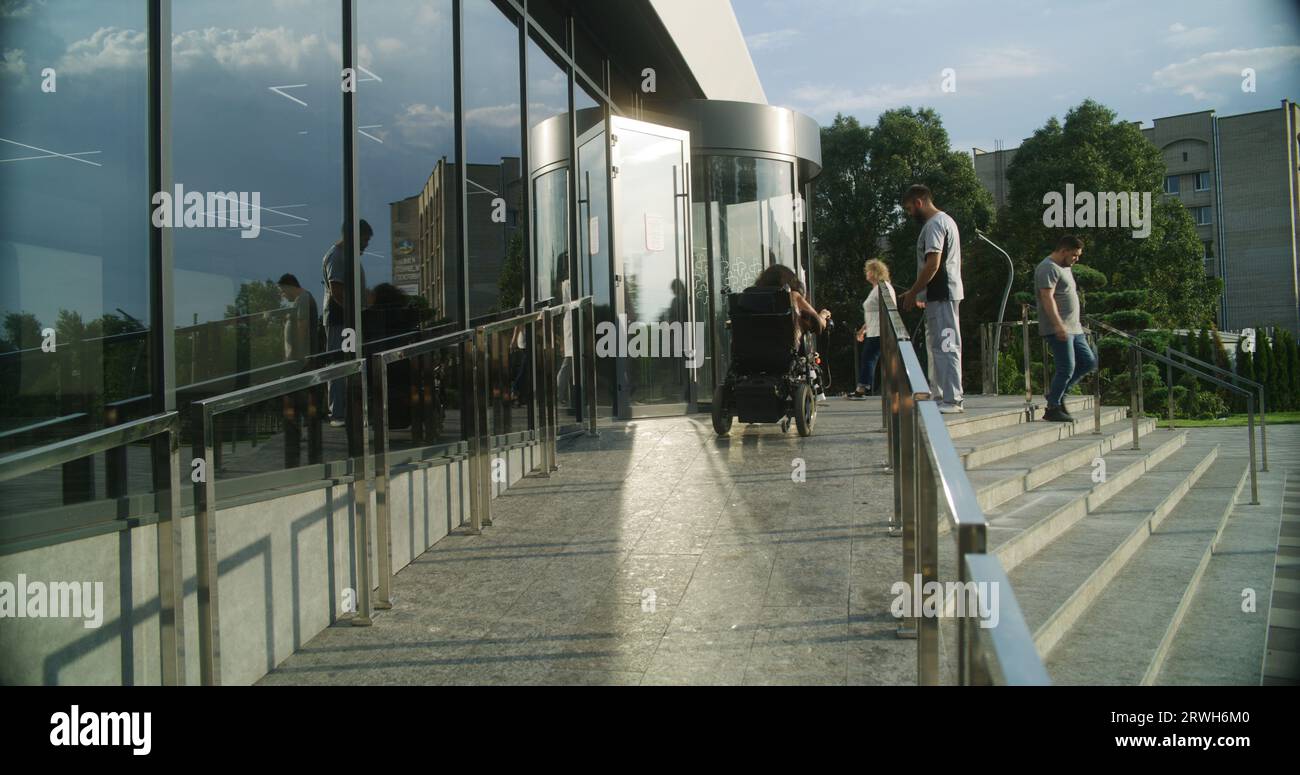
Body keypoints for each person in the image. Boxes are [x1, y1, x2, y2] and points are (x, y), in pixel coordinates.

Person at [898, 184, 964, 414]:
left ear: (919, 202)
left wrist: (914, 292)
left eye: (908, 208)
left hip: (943, 294)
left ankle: (952, 398)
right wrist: (920, 293)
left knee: (946, 346)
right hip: (937, 296)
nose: (909, 214)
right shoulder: (943, 222)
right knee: (937, 347)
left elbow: (933, 264)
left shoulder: (935, 224)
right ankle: (941, 395)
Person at [1037, 235, 1097, 422]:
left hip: (1074, 327)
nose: (1076, 259)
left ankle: (1057, 393)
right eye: (1074, 255)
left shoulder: (1065, 267)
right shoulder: (1048, 267)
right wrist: (1058, 325)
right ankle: (1052, 408)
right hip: (1059, 328)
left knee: (1088, 362)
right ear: (1063, 251)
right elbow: (1047, 298)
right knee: (1067, 367)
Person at [752, 263, 831, 400]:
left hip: (749, 354)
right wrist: (824, 315)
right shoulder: (792, 297)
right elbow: (818, 325)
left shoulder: (749, 297)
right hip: (783, 355)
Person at [321, 219, 371, 427]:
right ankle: (337, 413)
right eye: (365, 240)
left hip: (347, 320)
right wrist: (355, 314)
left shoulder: (348, 257)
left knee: (349, 362)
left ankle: (346, 410)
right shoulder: (337, 256)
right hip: (340, 320)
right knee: (339, 363)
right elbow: (337, 291)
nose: (366, 246)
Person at [850, 258, 895, 399]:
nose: (866, 273)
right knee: (875, 359)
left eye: (869, 270)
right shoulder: (876, 288)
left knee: (869, 358)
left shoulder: (883, 287)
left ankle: (861, 389)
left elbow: (890, 307)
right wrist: (863, 329)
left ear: (875, 272)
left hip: (880, 331)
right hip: (874, 330)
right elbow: (872, 313)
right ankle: (863, 388)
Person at [277, 273, 318, 365]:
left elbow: (302, 326)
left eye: (282, 291)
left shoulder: (303, 298)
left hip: (301, 359)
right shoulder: (300, 299)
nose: (282, 295)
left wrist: (296, 354)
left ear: (289, 287)